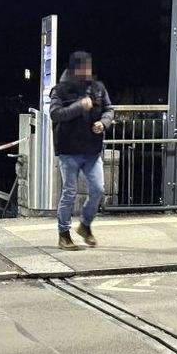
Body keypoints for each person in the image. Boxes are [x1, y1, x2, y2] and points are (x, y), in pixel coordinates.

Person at [49, 51, 114, 250]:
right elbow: (55, 114)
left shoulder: (98, 88)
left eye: (88, 66)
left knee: (98, 189)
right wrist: (79, 106)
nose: (86, 71)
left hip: (92, 149)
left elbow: (109, 110)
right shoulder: (60, 90)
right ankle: (64, 234)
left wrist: (103, 123)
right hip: (69, 149)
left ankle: (85, 224)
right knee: (69, 192)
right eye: (82, 67)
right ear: (73, 69)